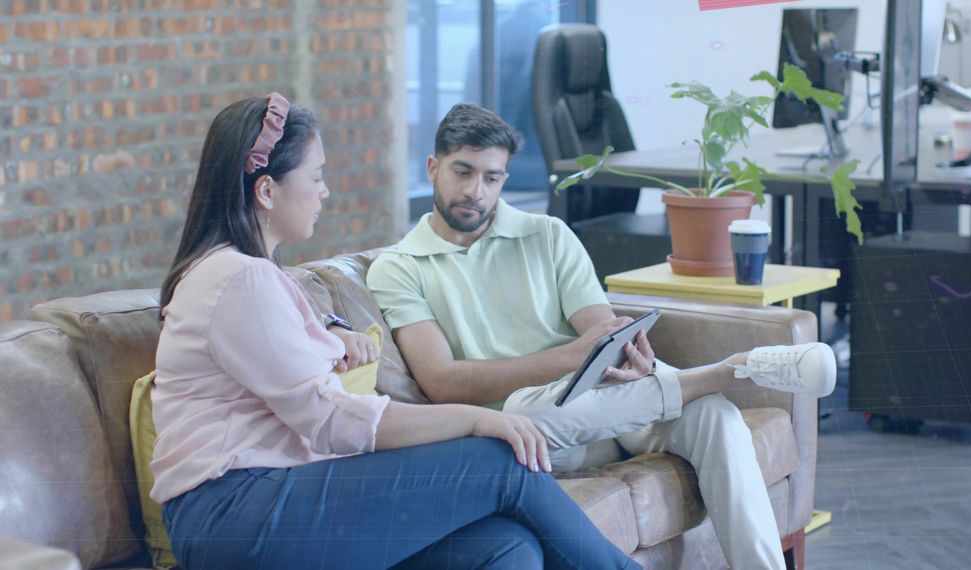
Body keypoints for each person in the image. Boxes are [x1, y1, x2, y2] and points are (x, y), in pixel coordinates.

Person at [151, 93, 638, 570]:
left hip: (266, 504)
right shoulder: (240, 278)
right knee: (501, 460)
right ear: (266, 191)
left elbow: (279, 346)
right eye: (316, 176)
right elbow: (329, 419)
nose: (325, 190)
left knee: (504, 547)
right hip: (234, 515)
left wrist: (333, 334)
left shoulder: (252, 276)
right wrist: (473, 419)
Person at [367, 103, 838, 570]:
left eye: (492, 178)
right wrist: (571, 357)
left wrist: (630, 358)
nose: (476, 191)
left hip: (611, 405)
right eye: (462, 172)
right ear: (433, 168)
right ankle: (731, 369)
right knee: (521, 411)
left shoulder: (548, 235)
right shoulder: (399, 268)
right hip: (536, 435)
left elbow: (601, 331)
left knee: (715, 414)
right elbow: (442, 382)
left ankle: (711, 390)